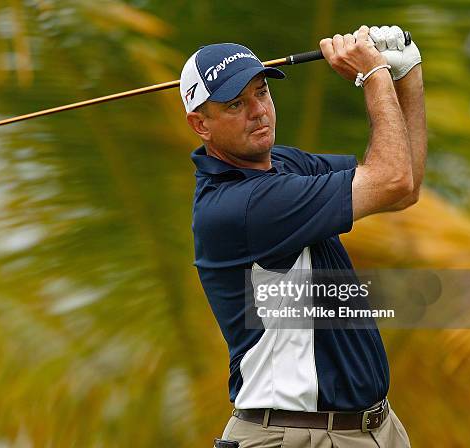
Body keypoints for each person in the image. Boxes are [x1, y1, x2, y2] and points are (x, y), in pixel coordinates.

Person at [179, 25, 425, 447]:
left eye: (262, 92)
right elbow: (392, 180)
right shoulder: (241, 207)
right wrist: (373, 75)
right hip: (295, 436)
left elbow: (405, 187)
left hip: (371, 429)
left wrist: (407, 78)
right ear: (200, 124)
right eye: (236, 104)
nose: (258, 111)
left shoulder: (282, 165)